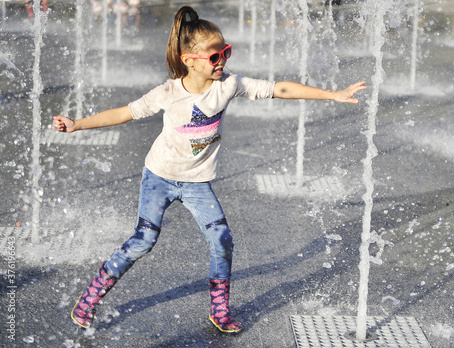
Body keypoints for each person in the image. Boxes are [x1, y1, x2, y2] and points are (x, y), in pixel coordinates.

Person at [52, 6, 366, 334]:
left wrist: (333, 94)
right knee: (144, 240)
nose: (223, 61)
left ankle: (219, 308)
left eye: (226, 53)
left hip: (197, 183)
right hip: (159, 177)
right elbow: (124, 113)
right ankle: (90, 297)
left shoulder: (228, 85)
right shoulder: (168, 93)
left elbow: (279, 89)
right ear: (189, 59)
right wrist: (77, 125)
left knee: (222, 239)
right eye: (215, 57)